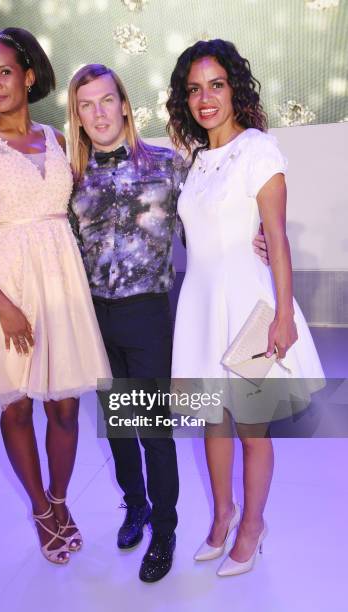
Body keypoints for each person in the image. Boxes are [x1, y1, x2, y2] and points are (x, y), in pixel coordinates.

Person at [66, 63, 269, 582]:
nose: (99, 113)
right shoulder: (72, 180)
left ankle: (166, 526)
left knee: (155, 430)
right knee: (119, 428)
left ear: (125, 104)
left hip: (150, 315)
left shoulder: (169, 167)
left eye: (107, 100)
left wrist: (257, 234)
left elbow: (215, 209)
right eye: (86, 105)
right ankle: (134, 506)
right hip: (96, 318)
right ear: (79, 117)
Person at [0, 28, 111, 565]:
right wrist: (4, 306)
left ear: (29, 75)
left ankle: (60, 498)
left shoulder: (58, 139)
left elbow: (91, 207)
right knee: (16, 407)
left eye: (5, 72)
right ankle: (41, 509)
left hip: (61, 285)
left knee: (65, 407)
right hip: (5, 288)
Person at [167, 39, 324, 576]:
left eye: (216, 85)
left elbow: (276, 239)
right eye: (194, 89)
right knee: (213, 419)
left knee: (251, 425)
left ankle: (253, 526)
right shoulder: (196, 160)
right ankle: (222, 514)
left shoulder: (259, 148)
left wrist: (283, 314)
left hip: (251, 307)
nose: (205, 98)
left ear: (235, 87)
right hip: (201, 305)